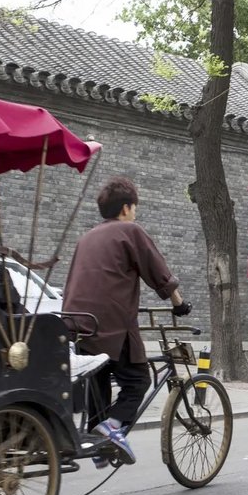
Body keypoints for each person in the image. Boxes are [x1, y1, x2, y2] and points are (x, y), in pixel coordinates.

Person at [62, 177, 191, 467]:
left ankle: (99, 444)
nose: (135, 213)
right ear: (125, 208)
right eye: (134, 208)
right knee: (139, 379)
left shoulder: (87, 237)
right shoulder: (129, 230)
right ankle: (111, 428)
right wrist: (179, 305)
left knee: (98, 381)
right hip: (111, 322)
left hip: (78, 323)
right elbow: (159, 273)